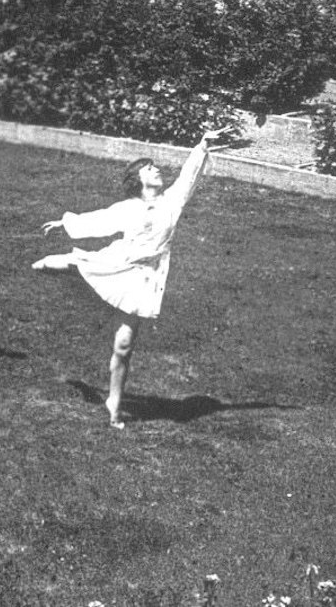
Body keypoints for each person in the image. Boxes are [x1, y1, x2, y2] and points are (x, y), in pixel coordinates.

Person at [31, 128, 226, 428]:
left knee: (123, 346)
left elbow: (188, 177)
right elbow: (99, 220)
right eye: (150, 168)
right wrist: (64, 222)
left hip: (143, 278)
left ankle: (114, 402)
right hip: (118, 260)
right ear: (139, 180)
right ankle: (55, 263)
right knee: (81, 264)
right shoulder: (128, 208)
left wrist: (202, 145)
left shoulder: (172, 202)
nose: (157, 169)